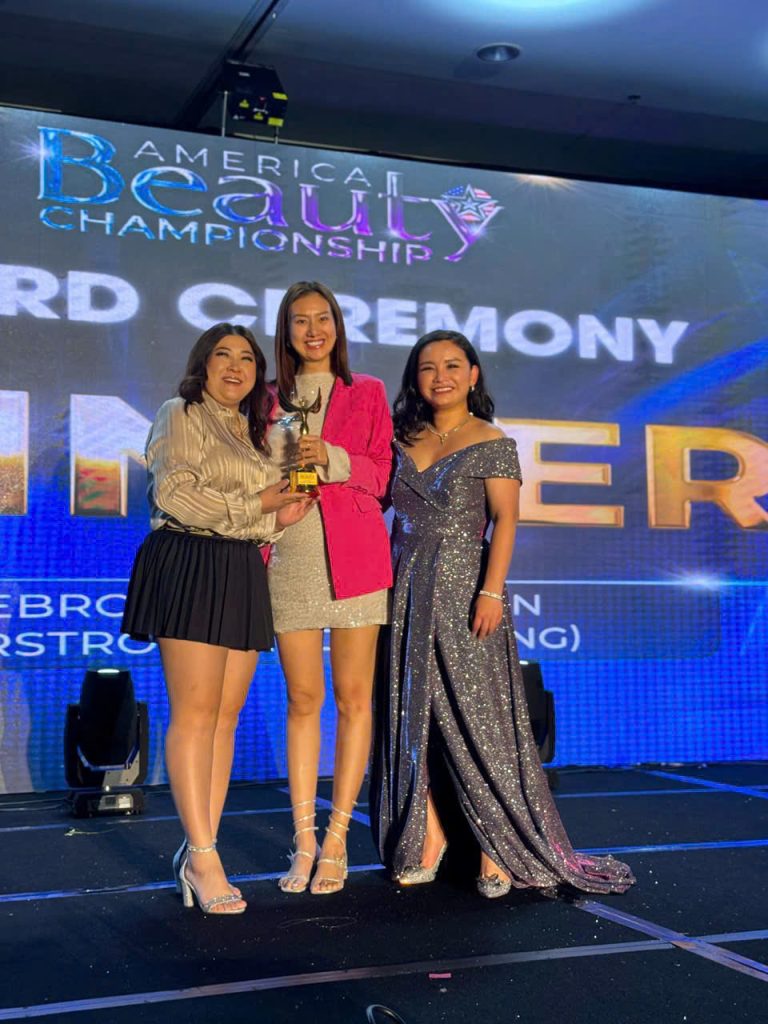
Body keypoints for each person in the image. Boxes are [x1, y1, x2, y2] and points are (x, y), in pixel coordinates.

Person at [371, 330, 634, 898]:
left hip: (467, 589)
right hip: (405, 587)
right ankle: (429, 835)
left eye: (452, 365)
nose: (440, 376)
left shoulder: (491, 439)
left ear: (473, 375)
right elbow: (371, 502)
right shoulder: (398, 439)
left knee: (479, 719)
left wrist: (491, 592)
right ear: (414, 378)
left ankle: (496, 847)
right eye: (427, 367)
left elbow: (506, 520)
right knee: (415, 716)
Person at [122, 323, 312, 915]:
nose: (235, 366)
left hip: (241, 567)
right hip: (188, 559)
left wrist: (283, 513)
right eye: (222, 355)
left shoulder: (258, 432)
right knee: (196, 714)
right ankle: (204, 858)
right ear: (202, 365)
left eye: (247, 359)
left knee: (225, 717)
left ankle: (199, 846)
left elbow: (262, 517)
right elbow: (176, 495)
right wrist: (261, 505)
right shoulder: (179, 412)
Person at [268, 281, 392, 895]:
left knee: (353, 699)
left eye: (323, 319)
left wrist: (332, 457)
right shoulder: (266, 397)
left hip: (357, 559)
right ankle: (304, 840)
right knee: (302, 699)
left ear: (338, 326)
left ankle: (338, 837)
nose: (313, 331)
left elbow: (382, 476)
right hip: (289, 557)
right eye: (300, 321)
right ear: (285, 331)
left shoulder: (366, 391)